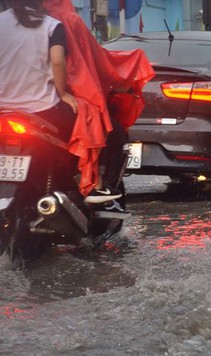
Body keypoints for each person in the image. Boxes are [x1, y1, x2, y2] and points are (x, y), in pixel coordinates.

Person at [41, 0, 154, 207]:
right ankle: (99, 184)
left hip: (19, 103)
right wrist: (127, 69)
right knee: (111, 131)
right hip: (64, 98)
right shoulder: (65, 21)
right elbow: (94, 59)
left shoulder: (16, 23)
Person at [0, 0, 78, 147]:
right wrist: (63, 94)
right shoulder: (52, 25)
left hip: (3, 109)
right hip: (42, 109)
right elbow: (57, 60)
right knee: (91, 128)